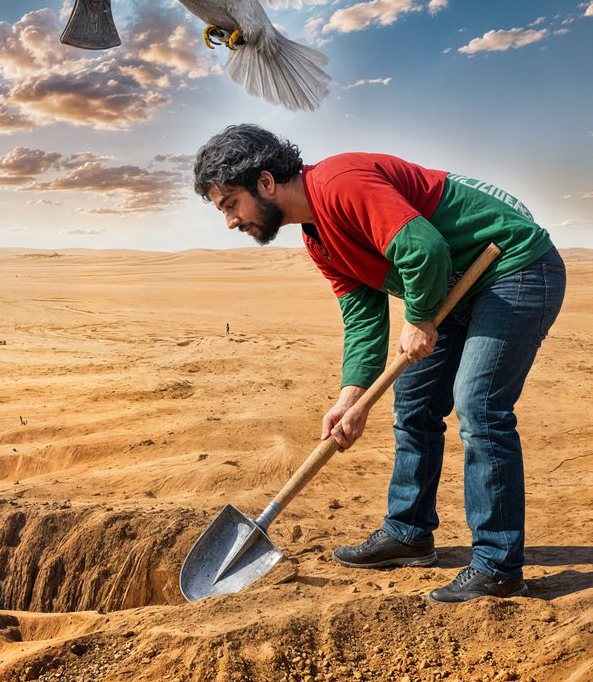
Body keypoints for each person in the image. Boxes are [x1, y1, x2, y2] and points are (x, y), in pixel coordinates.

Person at [192, 124, 565, 603]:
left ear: (265, 182)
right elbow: (362, 318)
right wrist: (350, 400)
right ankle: (408, 534)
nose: (230, 222)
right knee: (413, 405)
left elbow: (424, 248)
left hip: (514, 267)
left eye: (229, 204)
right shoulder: (318, 239)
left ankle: (497, 566)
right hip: (455, 291)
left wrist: (420, 317)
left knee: (479, 407)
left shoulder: (341, 182)